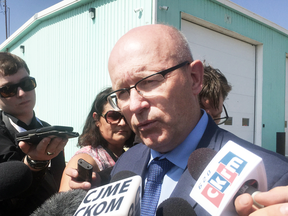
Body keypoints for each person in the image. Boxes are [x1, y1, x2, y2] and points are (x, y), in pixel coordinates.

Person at [104, 24, 288, 216]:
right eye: (122, 92)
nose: (134, 105)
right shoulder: (126, 162)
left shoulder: (273, 179)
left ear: (194, 78)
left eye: (149, 81)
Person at [0, 52, 68, 216]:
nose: (22, 93)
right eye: (8, 90)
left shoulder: (49, 129)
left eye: (27, 83)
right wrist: (34, 163)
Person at [59, 87, 134, 192]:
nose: (122, 123)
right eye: (113, 116)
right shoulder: (86, 159)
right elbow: (64, 205)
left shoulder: (132, 155)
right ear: (97, 119)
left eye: (126, 116)